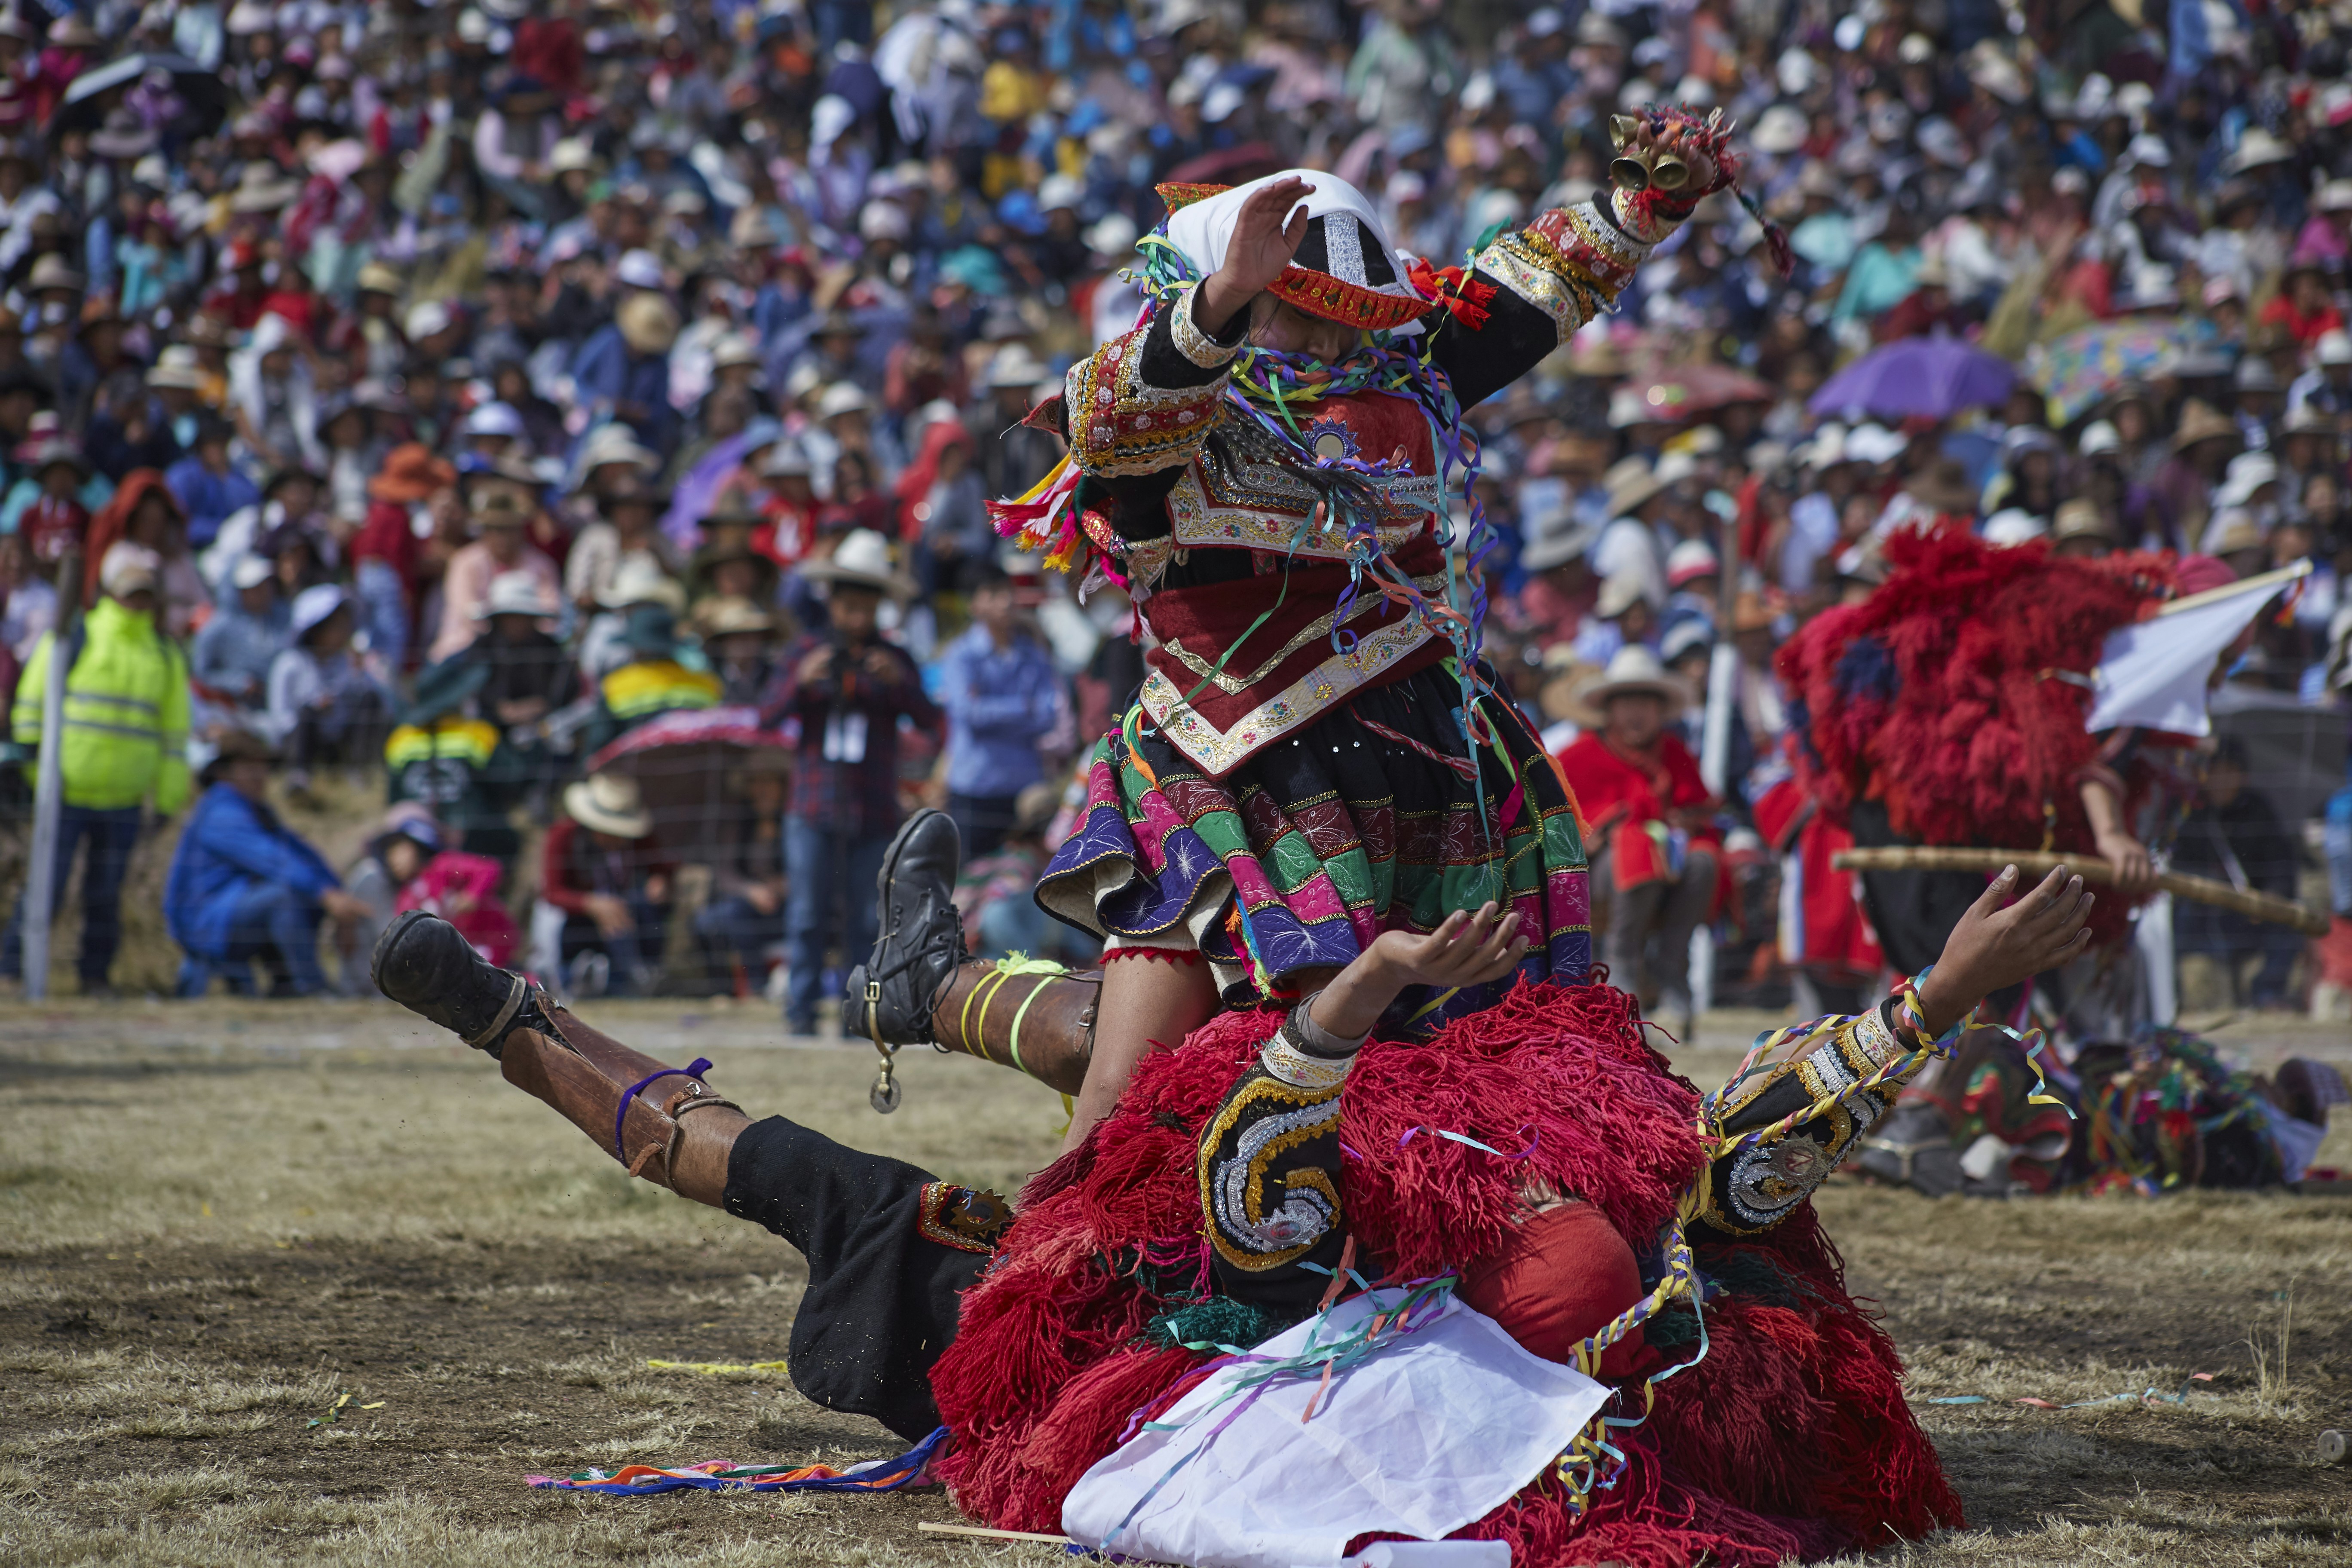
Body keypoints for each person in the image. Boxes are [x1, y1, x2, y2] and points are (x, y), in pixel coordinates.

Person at [368, 834, 2094, 1559]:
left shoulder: (1431, 1351)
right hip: (1192, 1278)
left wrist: (1349, 1005)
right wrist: (1936, 995)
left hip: (1091, 1350)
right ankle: (922, 986)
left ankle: (518, 1023)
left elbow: (1255, 1189)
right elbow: (1748, 1153)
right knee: (1129, 1086)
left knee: (820, 1179)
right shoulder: (1644, 1264)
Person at [851, 140, 1744, 1150]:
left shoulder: (1404, 383)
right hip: (1227, 772)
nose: (1328, 343)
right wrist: (1225, 299)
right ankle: (956, 1031)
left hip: (1425, 777)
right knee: (1139, 1097)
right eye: (1299, 311)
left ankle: (931, 986)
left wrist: (1640, 204)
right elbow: (1112, 430)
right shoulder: (1161, 408)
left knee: (1409, 1078)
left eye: (1350, 318)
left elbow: (1516, 300)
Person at [762, 527, 939, 1035]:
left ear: (879, 607)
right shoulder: (805, 651)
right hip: (811, 805)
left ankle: (858, 1015)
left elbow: (930, 720)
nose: (857, 617)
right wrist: (802, 682)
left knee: (867, 918)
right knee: (807, 915)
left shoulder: (895, 658)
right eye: (849, 606)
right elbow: (767, 716)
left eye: (867, 607)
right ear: (833, 604)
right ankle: (800, 1015)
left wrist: (898, 685)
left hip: (873, 806)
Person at [1, 541, 190, 994]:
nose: (138, 602)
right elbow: (32, 702)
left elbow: (174, 735)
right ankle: (11, 970)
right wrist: (34, 771)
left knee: (106, 895)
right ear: (109, 591)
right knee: (46, 887)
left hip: (124, 798)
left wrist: (167, 799)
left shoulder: (164, 653)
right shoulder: (76, 635)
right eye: (131, 592)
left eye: (145, 594)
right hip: (64, 791)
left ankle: (95, 977)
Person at [1553, 646, 1722, 1036]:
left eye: (1646, 702)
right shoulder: (1578, 756)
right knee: (1635, 849)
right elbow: (1562, 824)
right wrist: (1615, 825)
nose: (1637, 713)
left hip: (1670, 872)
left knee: (1705, 859)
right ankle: (1622, 967)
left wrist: (1681, 825)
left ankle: (1672, 967)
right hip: (1602, 873)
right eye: (1627, 702)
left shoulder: (1674, 752)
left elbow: (1701, 811)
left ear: (1660, 710)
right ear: (1609, 709)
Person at [163, 732, 372, 996]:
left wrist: (336, 893)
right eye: (250, 768)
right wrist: (327, 895)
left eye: (263, 767)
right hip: (207, 923)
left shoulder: (255, 810)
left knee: (298, 893)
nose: (261, 776)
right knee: (283, 897)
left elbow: (301, 854)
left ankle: (286, 985)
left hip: (232, 912)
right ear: (223, 773)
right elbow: (273, 859)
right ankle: (312, 988)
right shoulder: (221, 813)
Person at [935, 562, 1060, 858]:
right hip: (975, 788)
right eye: (993, 594)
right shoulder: (961, 656)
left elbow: (1049, 716)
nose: (1005, 601)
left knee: (1023, 876)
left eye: (1007, 592)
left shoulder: (1033, 653)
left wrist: (990, 709)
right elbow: (968, 714)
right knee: (972, 880)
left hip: (1024, 791)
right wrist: (1024, 707)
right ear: (973, 605)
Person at [2171, 736, 2307, 1009]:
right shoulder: (2192, 813)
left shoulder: (2259, 809)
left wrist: (2270, 898)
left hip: (2251, 914)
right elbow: (2179, 866)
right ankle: (2184, 998)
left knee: (2287, 927)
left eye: (2229, 772)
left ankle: (2267, 995)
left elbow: (2281, 862)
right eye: (2214, 772)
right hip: (2205, 912)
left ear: (2243, 776)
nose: (2221, 780)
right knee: (2179, 923)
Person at [541, 770, 674, 998]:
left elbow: (662, 866)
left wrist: (659, 881)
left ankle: (641, 975)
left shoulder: (640, 838)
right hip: (575, 919)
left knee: (641, 907)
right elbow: (553, 892)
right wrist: (592, 904)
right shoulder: (564, 835)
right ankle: (574, 977)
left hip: (626, 916)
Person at [264, 583, 391, 795]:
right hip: (301, 742)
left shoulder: (346, 662)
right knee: (307, 713)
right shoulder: (290, 664)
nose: (345, 632)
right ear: (316, 629)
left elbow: (374, 701)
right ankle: (299, 776)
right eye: (337, 626)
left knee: (370, 700)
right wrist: (315, 709)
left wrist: (360, 676)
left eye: (346, 625)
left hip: (338, 740)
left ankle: (359, 769)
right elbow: (279, 717)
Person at [695, 756, 789, 994]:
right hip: (747, 909)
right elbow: (724, 873)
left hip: (787, 909)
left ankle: (761, 987)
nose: (762, 790)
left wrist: (786, 885)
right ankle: (728, 991)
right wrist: (751, 891)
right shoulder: (737, 825)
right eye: (756, 783)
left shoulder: (796, 825)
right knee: (708, 921)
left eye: (769, 783)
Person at [189, 553, 286, 724]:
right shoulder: (218, 627)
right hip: (236, 711)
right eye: (254, 588)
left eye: (265, 585)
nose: (264, 592)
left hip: (279, 706)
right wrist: (239, 683)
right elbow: (201, 672)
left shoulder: (283, 616)